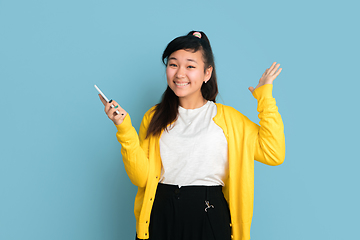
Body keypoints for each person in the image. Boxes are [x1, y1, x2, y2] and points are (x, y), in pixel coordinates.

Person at [98, 31, 285, 240]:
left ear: (207, 73)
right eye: (173, 64)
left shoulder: (230, 120)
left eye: (190, 66)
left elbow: (274, 153)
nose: (179, 73)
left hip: (209, 215)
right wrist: (124, 128)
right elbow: (141, 177)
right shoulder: (154, 117)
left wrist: (264, 98)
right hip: (160, 215)